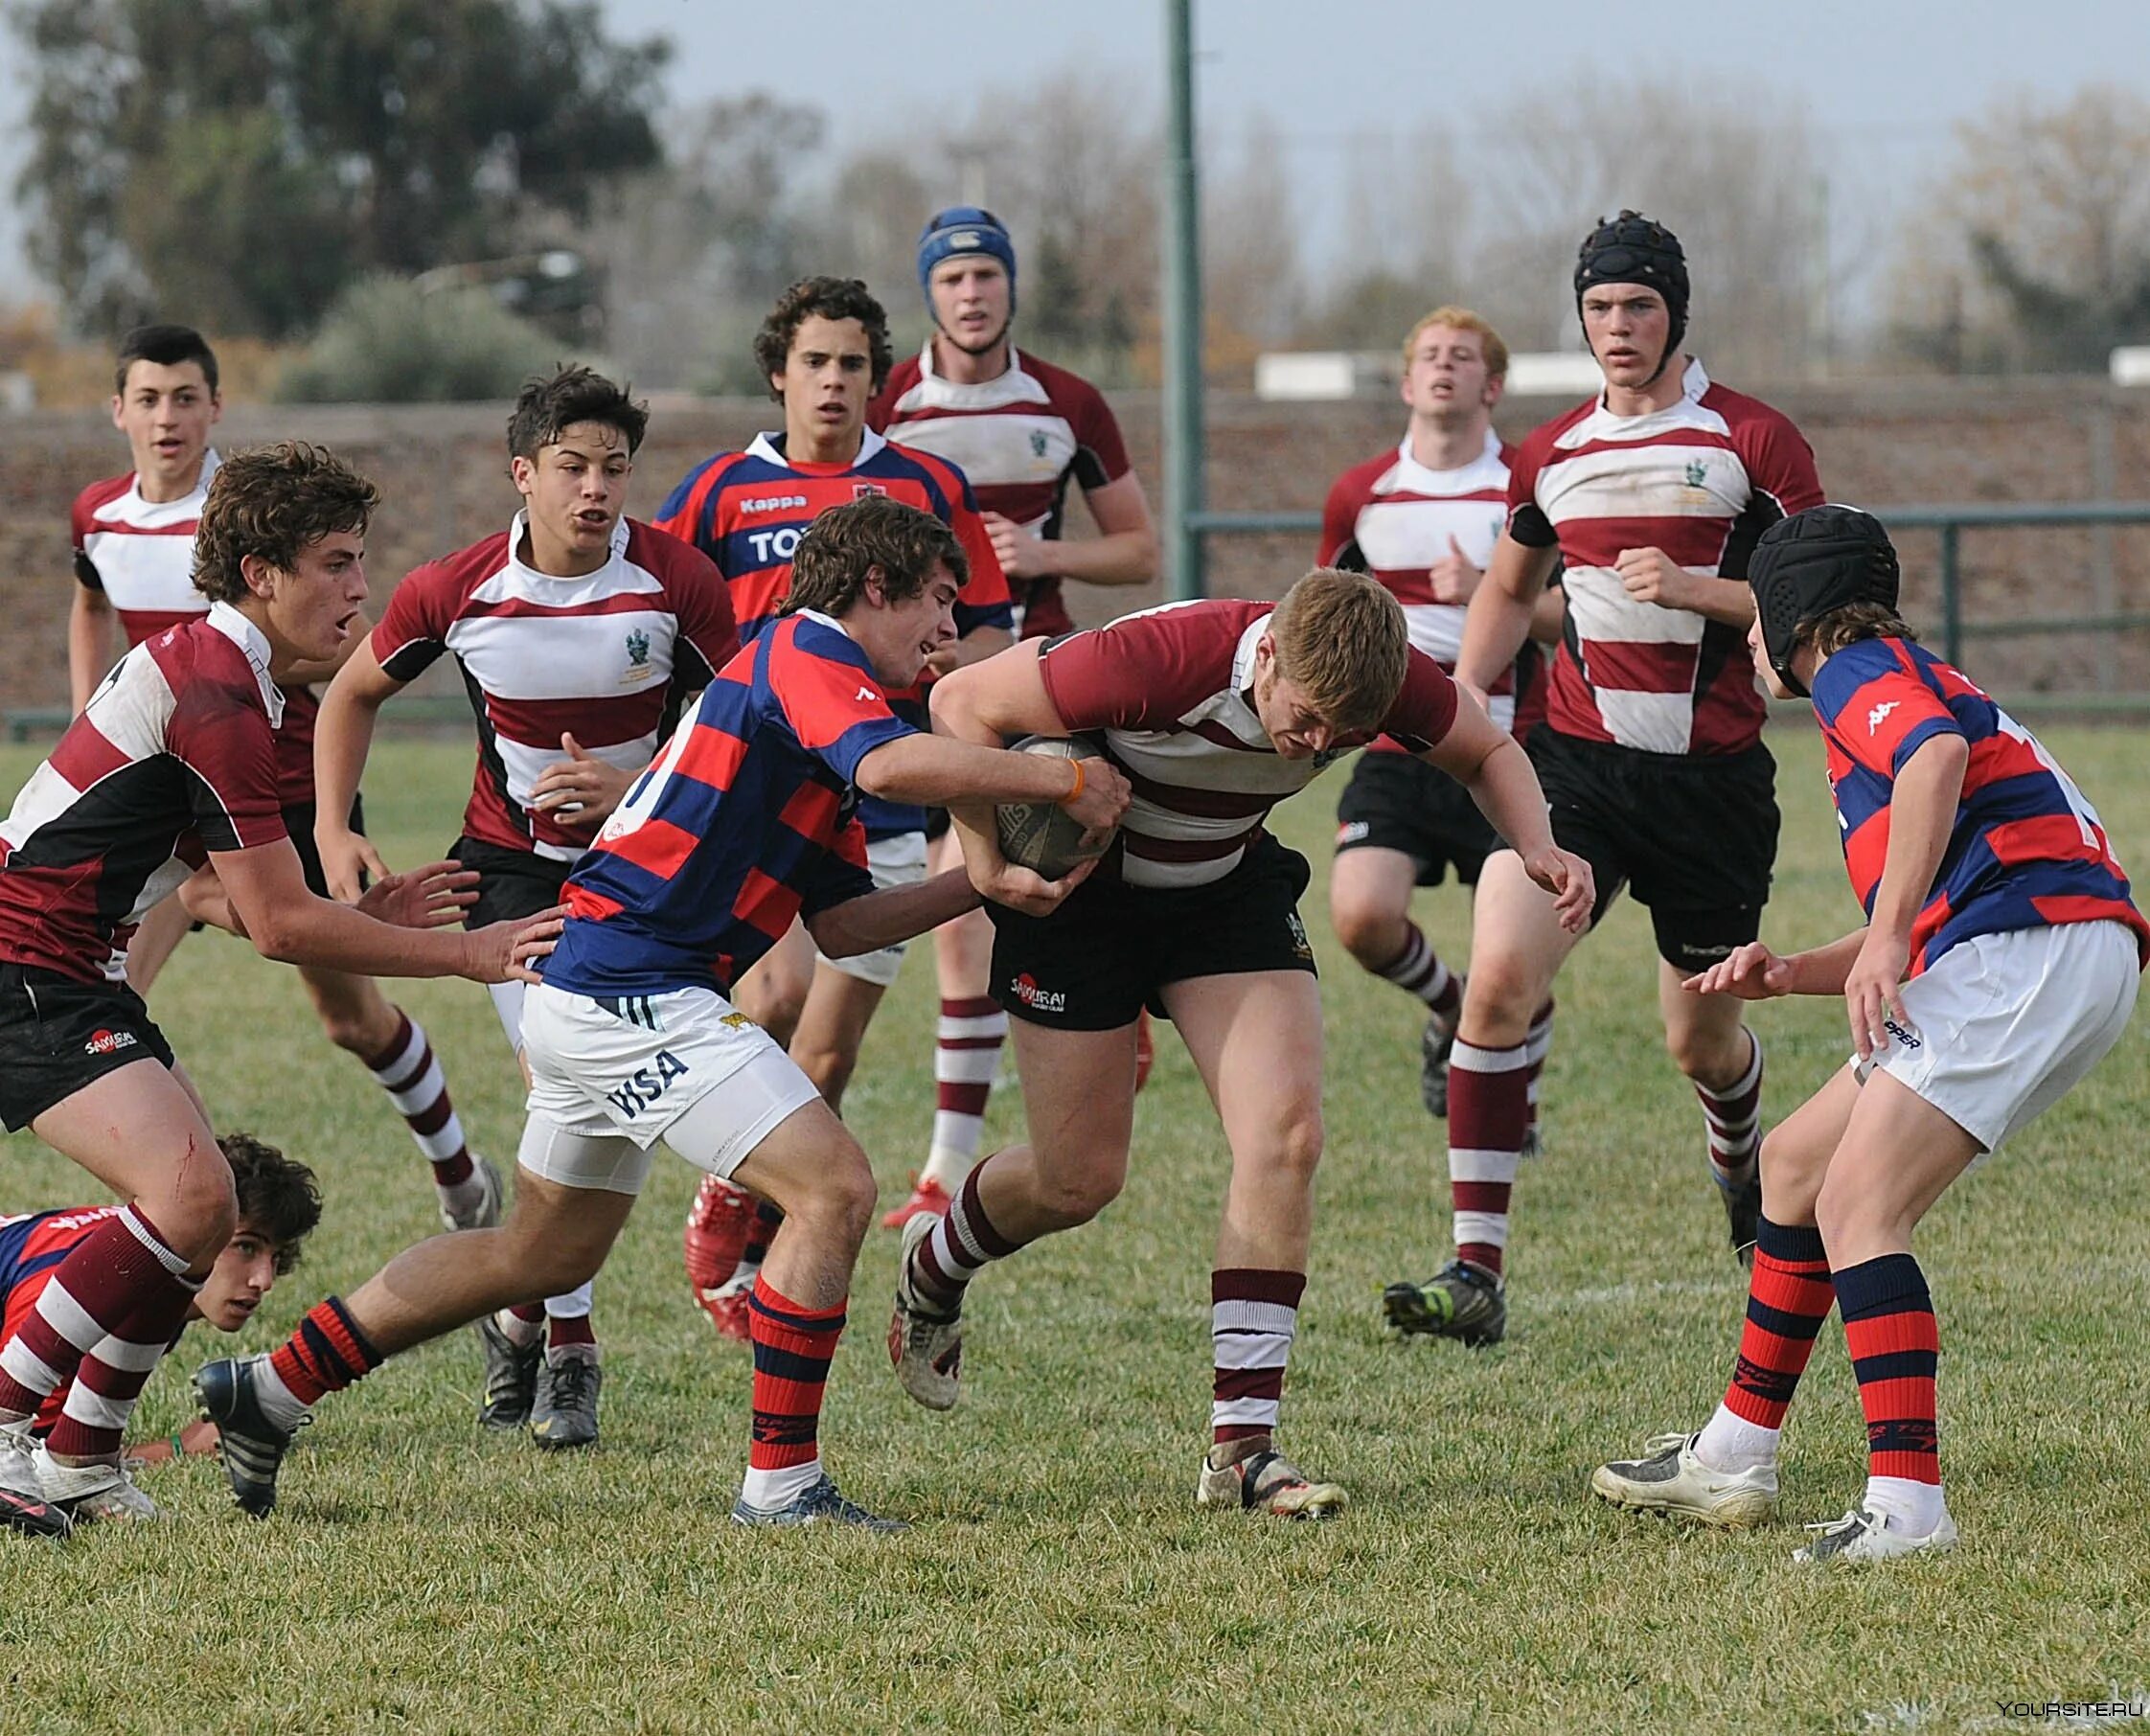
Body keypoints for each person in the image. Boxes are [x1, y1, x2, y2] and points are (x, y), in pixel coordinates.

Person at [194, 495, 1129, 1531]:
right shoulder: (808, 654)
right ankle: (781, 1488)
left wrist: (980, 887)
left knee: (540, 1258)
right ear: (875, 588)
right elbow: (891, 765)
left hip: (599, 988)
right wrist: (1067, 776)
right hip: (630, 989)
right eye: (939, 605)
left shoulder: (818, 705)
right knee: (836, 1188)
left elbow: (852, 923)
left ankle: (269, 1390)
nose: (950, 633)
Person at [905, 569, 1594, 1518]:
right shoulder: (1158, 659)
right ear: (1266, 655)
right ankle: (933, 1269)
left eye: (1343, 737)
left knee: (1287, 1138)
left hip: (1223, 891)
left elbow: (1488, 750)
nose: (1315, 746)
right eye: (1305, 721)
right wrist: (987, 858)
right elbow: (959, 702)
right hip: (1083, 902)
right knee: (1078, 1179)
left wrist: (1538, 845)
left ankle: (1243, 1449)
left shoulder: (1379, 683)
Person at [0, 441, 560, 1536]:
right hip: (23, 972)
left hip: (73, 970)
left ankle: (80, 1458)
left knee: (206, 1207)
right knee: (193, 1200)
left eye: (361, 564)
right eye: (338, 564)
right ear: (262, 571)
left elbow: (224, 892)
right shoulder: (216, 689)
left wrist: (359, 918)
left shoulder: (239, 680)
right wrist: (468, 953)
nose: (361, 590)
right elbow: (272, 924)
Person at [1590, 506, 2143, 1563]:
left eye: (1755, 613)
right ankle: (1734, 1453)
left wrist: (1888, 943)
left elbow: (1934, 761)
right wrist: (1796, 972)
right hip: (2040, 944)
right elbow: (1939, 895)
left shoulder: (1853, 670)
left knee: (1858, 1202)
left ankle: (1909, 1506)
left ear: (1795, 611)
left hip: (2034, 949)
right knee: (1794, 1164)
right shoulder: (1900, 674)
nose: (1747, 636)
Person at [1383, 213, 1826, 1348]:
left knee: (1701, 1042)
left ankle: (1742, 1164)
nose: (1618, 327)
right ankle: (1474, 1270)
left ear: (1676, 311)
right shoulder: (1554, 454)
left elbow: (1824, 598)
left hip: (1713, 785)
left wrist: (1697, 589)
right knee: (1497, 983)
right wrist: (1469, 698)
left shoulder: (1753, 441)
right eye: (1598, 308)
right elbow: (1504, 587)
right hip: (1572, 769)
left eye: (1637, 305)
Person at [311, 365, 738, 1449]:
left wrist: (632, 794)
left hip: (651, 873)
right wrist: (333, 828)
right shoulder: (454, 591)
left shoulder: (678, 581)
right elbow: (350, 691)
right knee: (562, 1073)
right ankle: (570, 1347)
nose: (596, 489)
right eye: (572, 467)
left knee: (609, 1107)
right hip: (514, 878)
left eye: (614, 469)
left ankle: (520, 1313)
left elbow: (745, 732)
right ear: (524, 473)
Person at [65, 323, 486, 1237]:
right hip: (175, 795)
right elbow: (92, 604)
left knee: (349, 1016)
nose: (167, 418)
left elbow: (342, 678)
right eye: (149, 398)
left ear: (216, 408)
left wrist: (332, 821)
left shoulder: (253, 511)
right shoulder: (101, 513)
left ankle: (459, 1172)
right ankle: (175, 1213)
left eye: (186, 398)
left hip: (281, 786)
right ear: (118, 412)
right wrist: (90, 722)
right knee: (108, 988)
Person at [654, 276, 1013, 1337]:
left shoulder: (925, 482)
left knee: (831, 1049)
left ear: (878, 378)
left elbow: (987, 630)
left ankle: (756, 1209)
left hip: (886, 795)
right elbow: (667, 620)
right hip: (758, 796)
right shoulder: (721, 489)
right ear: (779, 373)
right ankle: (737, 1198)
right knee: (768, 1000)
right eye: (815, 361)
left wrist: (950, 674)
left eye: (854, 363)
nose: (834, 381)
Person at [868, 207, 1160, 1225]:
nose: (973, 293)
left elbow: (1139, 552)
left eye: (988, 275)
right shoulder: (889, 402)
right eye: (953, 280)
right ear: (929, 295)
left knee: (982, 903)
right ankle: (1106, 1017)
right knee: (965, 909)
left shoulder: (1068, 401)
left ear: (1012, 287)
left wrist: (1041, 558)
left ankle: (946, 1172)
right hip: (906, 683)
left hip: (1027, 675)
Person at [1320, 307, 1563, 1133]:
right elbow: (1326, 614)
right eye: (1429, 355)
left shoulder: (1528, 485)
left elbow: (1580, 612)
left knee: (1518, 953)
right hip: (1400, 741)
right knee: (1360, 916)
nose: (1444, 367)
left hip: (1508, 745)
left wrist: (1494, 598)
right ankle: (1452, 1006)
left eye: (1463, 357)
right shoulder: (1362, 494)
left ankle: (1506, 1099)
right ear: (1405, 380)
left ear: (1492, 385)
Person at [0, 1133, 321, 1524]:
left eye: (277, 1256)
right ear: (210, 1229)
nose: (264, 1280)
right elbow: (28, 1460)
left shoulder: (139, 1268)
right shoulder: (82, 1299)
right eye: (247, 1247)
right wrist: (177, 1447)